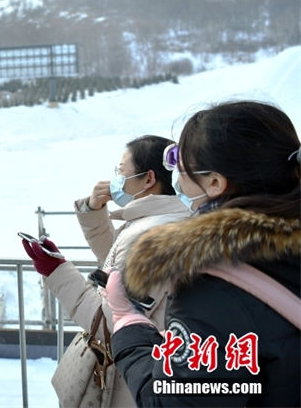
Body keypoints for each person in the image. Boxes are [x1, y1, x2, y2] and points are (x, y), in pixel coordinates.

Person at [107, 100, 301, 406]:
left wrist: (129, 325)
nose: (175, 175)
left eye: (179, 163)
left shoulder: (212, 287)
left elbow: (175, 402)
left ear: (214, 182)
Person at [22, 135, 190, 407]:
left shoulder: (151, 235)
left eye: (121, 170)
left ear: (148, 179)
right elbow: (118, 264)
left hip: (130, 383)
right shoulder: (167, 221)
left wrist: (54, 270)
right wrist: (93, 213)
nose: (116, 178)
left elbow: (110, 325)